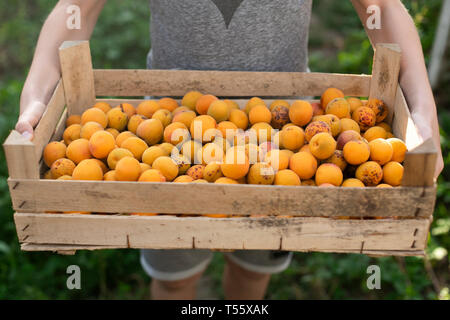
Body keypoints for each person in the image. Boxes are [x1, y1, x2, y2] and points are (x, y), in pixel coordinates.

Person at [16, 0, 444, 299]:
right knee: (173, 280)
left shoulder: (310, 147)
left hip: (285, 126)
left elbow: (382, 7)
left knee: (254, 269)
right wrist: (38, 96)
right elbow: (77, 6)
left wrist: (423, 114)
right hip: (170, 134)